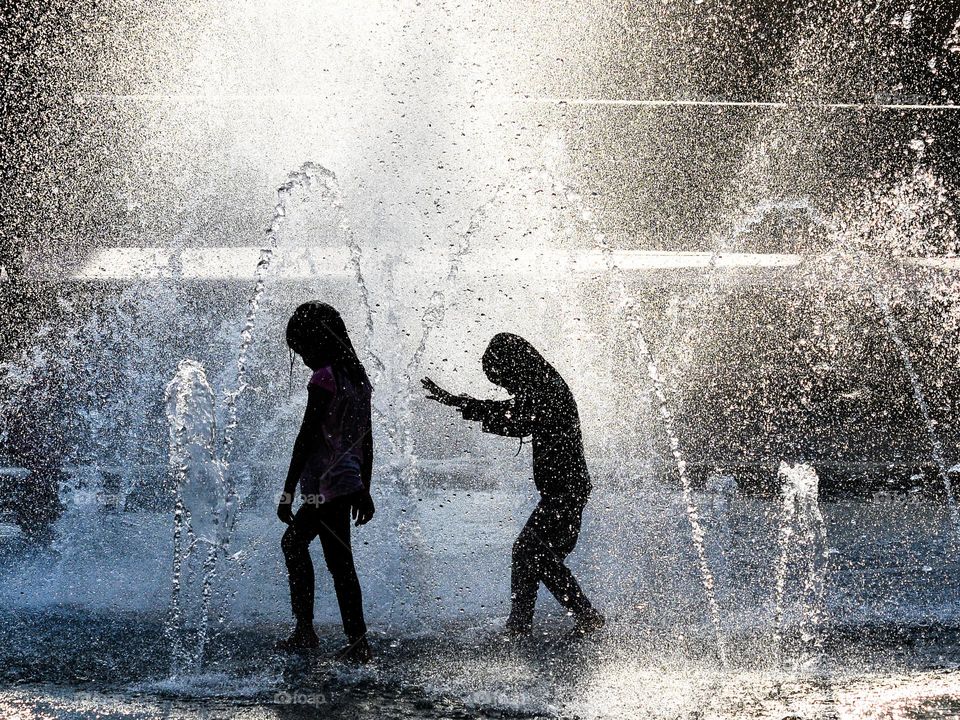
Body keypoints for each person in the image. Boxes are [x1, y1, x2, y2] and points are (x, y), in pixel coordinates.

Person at [422, 333, 604, 637]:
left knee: (531, 552)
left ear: (515, 366)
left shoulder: (547, 389)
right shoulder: (544, 384)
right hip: (563, 489)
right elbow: (515, 415)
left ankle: (581, 616)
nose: (505, 387)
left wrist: (461, 403)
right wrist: (464, 404)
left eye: (504, 379)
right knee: (532, 555)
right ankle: (521, 623)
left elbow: (517, 419)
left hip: (566, 491)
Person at [277, 301, 375, 662]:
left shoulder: (324, 378)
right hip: (346, 484)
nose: (301, 357)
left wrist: (287, 492)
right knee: (332, 558)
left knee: (308, 550)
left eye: (302, 348)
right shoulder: (359, 378)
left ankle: (318, 634)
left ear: (318, 342)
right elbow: (367, 441)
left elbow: (305, 437)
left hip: (326, 488)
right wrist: (364, 488)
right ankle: (352, 639)